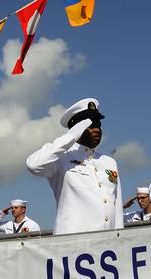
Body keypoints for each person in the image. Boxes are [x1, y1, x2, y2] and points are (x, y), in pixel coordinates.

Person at [26, 98, 123, 234]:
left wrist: (119, 239)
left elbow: (117, 209)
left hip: (107, 246)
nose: (97, 130)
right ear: (78, 128)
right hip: (73, 245)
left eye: (98, 124)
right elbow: (33, 165)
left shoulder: (109, 162)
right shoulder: (61, 157)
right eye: (91, 125)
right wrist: (70, 136)